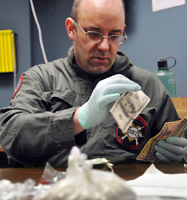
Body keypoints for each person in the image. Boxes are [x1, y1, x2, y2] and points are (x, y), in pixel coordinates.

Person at [0, 0, 187, 167]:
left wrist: (179, 157)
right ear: (71, 29)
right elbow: (10, 133)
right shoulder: (42, 78)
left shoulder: (147, 84)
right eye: (94, 33)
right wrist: (78, 119)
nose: (105, 46)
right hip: (59, 190)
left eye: (114, 36)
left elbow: (179, 143)